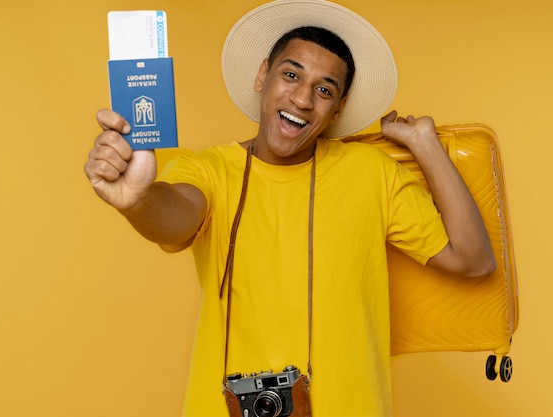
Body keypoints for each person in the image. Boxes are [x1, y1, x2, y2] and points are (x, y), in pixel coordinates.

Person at [84, 1, 496, 416]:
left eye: (324, 89)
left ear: (339, 107)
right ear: (263, 74)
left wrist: (425, 144)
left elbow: (474, 261)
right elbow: (175, 217)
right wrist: (138, 201)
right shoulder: (208, 168)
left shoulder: (371, 172)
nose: (301, 99)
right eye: (291, 74)